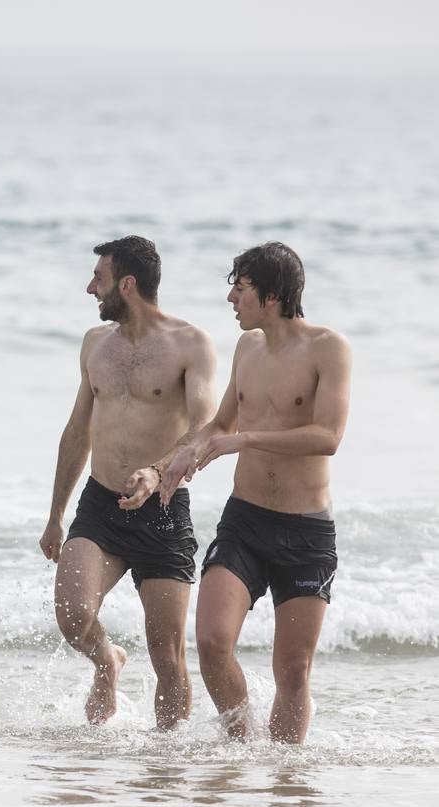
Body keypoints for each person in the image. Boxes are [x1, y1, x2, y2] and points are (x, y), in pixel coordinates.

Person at [160, 242, 350, 743]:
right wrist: (177, 459)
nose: (230, 299)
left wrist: (243, 440)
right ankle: (243, 747)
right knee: (211, 642)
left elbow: (328, 436)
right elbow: (220, 422)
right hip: (244, 520)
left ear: (271, 296)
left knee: (292, 670)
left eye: (239, 288)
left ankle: (285, 780)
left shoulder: (328, 348)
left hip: (305, 530)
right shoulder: (247, 349)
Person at [40, 236, 216, 728]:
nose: (90, 288)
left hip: (163, 507)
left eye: (99, 278)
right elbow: (78, 430)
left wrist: (158, 470)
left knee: (166, 654)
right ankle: (107, 660)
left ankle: (166, 762)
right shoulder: (95, 344)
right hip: (100, 504)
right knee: (72, 616)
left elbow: (205, 424)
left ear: (128, 283)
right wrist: (56, 513)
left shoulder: (190, 343)